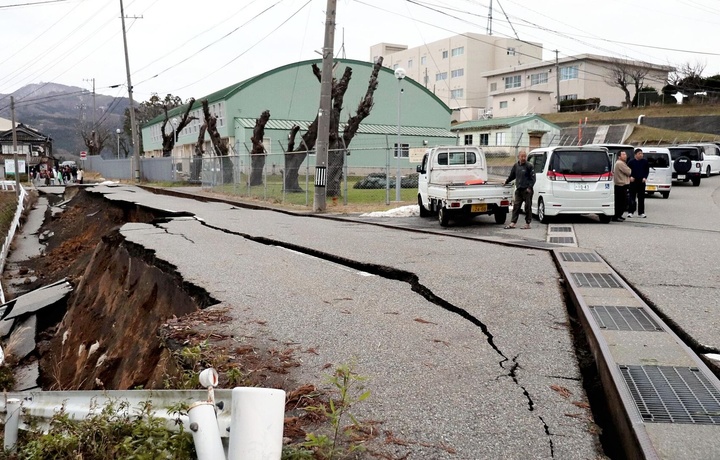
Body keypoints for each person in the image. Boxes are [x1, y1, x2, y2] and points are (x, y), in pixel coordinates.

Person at [503, 150, 536, 229]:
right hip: (519, 190)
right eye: (522, 156)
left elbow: (533, 178)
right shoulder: (516, 166)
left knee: (527, 207)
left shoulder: (529, 166)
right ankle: (513, 222)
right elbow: (512, 176)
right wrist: (506, 181)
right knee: (516, 206)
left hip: (527, 190)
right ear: (519, 157)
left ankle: (528, 223)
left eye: (525, 156)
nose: (524, 158)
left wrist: (529, 187)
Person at [627, 148, 649, 218]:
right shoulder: (631, 162)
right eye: (639, 153)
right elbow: (627, 170)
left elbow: (647, 171)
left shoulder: (645, 162)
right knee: (632, 197)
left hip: (641, 181)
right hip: (633, 181)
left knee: (641, 198)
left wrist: (645, 177)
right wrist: (630, 177)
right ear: (635, 155)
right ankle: (631, 211)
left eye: (642, 153)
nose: (641, 155)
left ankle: (641, 212)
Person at [612, 151, 632, 221]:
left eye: (625, 154)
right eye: (623, 154)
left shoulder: (622, 163)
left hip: (622, 185)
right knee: (620, 202)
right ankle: (616, 216)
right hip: (620, 185)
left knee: (622, 202)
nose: (625, 156)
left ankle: (619, 215)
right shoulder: (620, 163)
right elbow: (629, 171)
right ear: (619, 156)